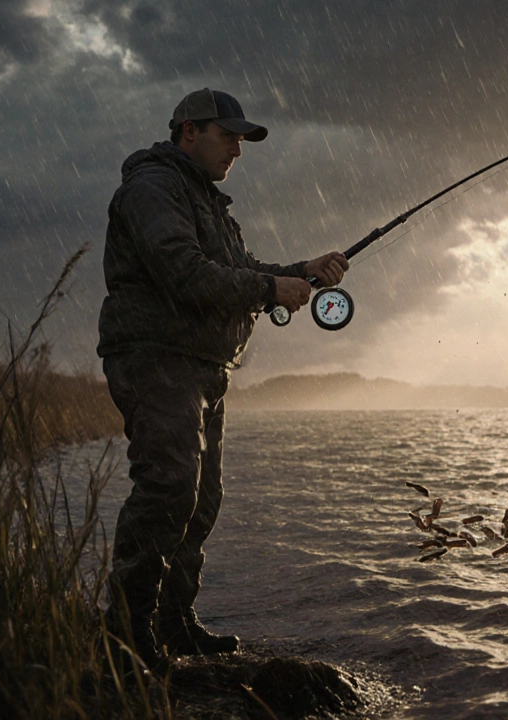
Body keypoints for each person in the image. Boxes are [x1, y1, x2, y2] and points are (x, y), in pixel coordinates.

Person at [96, 87, 348, 671]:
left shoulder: (206, 200)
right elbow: (184, 272)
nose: (237, 148)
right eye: (229, 135)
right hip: (158, 361)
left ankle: (174, 624)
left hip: (204, 368)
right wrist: (270, 289)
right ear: (190, 131)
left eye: (241, 139)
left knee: (202, 499)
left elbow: (240, 269)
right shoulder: (152, 189)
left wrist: (300, 271)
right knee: (168, 490)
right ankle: (125, 637)